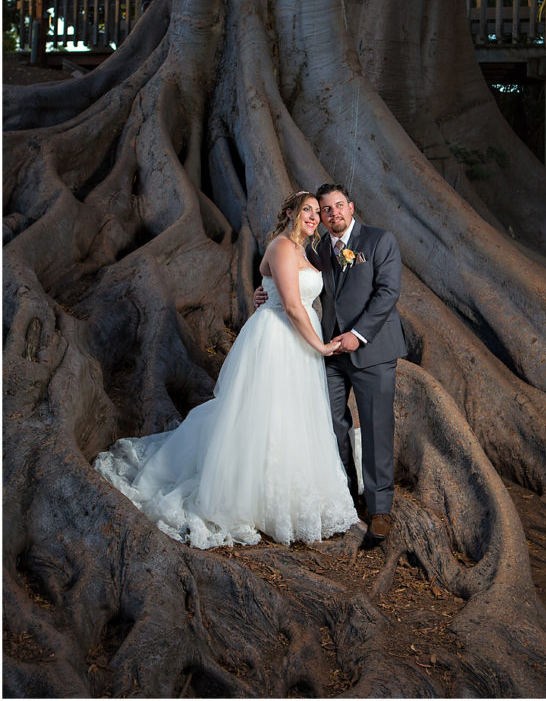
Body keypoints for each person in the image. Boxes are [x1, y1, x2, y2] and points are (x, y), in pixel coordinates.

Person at [94, 191, 358, 550]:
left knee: (290, 417)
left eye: (317, 212)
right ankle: (248, 496)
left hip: (296, 342)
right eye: (307, 210)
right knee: (260, 415)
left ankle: (282, 493)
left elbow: (269, 279)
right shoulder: (282, 246)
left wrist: (261, 294)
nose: (313, 217)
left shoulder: (304, 251)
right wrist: (321, 345)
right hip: (283, 339)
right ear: (291, 213)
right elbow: (294, 306)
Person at [255, 183, 406, 543]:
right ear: (320, 217)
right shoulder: (318, 249)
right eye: (326, 209)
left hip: (372, 350)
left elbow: (387, 293)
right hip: (328, 352)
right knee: (332, 427)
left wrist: (359, 335)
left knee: (375, 426)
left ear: (351, 207)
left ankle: (380, 508)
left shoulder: (379, 241)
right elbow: (290, 278)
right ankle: (347, 496)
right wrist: (264, 289)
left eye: (339, 206)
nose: (333, 213)